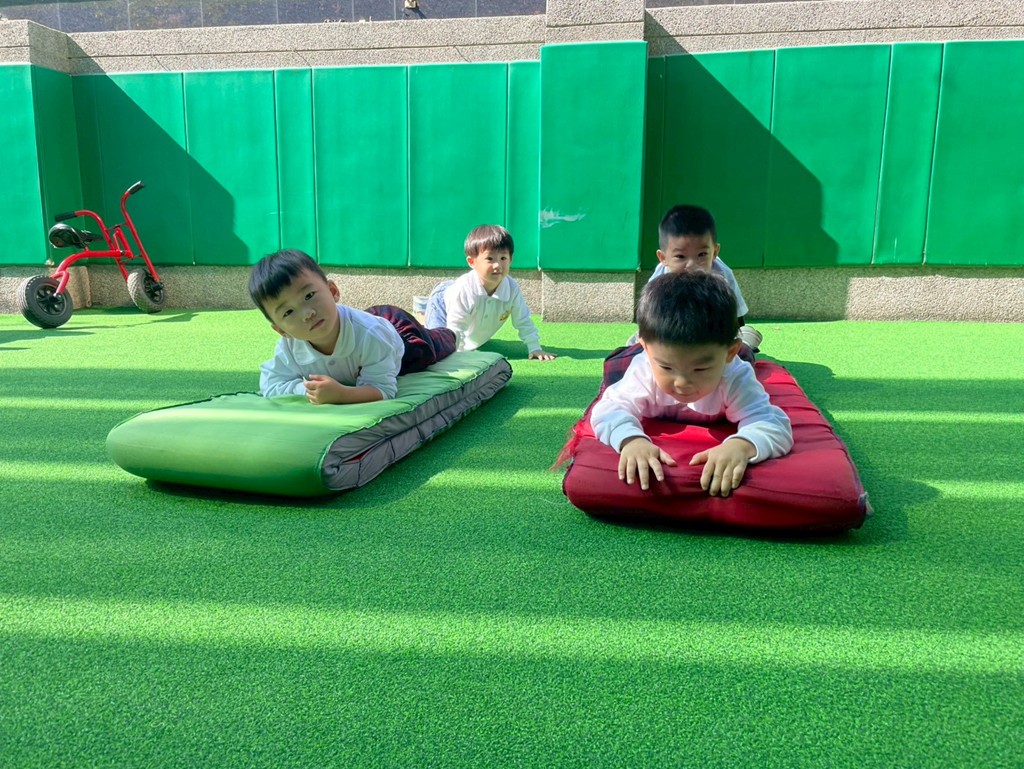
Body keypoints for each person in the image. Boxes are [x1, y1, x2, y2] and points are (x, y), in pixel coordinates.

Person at [591, 271, 792, 496]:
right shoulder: (643, 369)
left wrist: (742, 445)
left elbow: (773, 423)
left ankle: (748, 338)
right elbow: (609, 409)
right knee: (615, 366)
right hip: (635, 355)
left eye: (700, 369)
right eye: (667, 368)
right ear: (647, 350)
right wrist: (631, 440)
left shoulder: (735, 375)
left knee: (747, 354)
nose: (682, 383)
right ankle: (635, 344)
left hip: (737, 354)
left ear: (728, 353)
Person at [249, 249, 456, 404]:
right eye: (288, 312)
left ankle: (439, 300)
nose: (307, 314)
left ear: (333, 291)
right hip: (362, 322)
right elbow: (271, 384)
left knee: (442, 340)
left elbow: (383, 389)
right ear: (282, 330)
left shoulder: (372, 336)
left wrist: (342, 394)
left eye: (309, 295)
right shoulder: (289, 347)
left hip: (404, 337)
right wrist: (306, 390)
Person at [632, 205, 762, 358]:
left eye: (702, 255)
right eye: (680, 257)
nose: (692, 265)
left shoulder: (723, 275)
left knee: (743, 341)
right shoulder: (659, 280)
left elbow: (735, 318)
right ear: (663, 258)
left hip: (712, 333)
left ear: (714, 252)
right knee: (638, 344)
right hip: (671, 333)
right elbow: (649, 318)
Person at [422, 225, 555, 361]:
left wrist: (534, 347)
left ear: (511, 260)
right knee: (436, 348)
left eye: (503, 258)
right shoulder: (464, 289)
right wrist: (457, 354)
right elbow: (456, 326)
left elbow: (523, 320)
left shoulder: (512, 288)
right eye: (490, 259)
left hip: (466, 305)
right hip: (442, 302)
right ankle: (423, 313)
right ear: (472, 262)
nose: (497, 265)